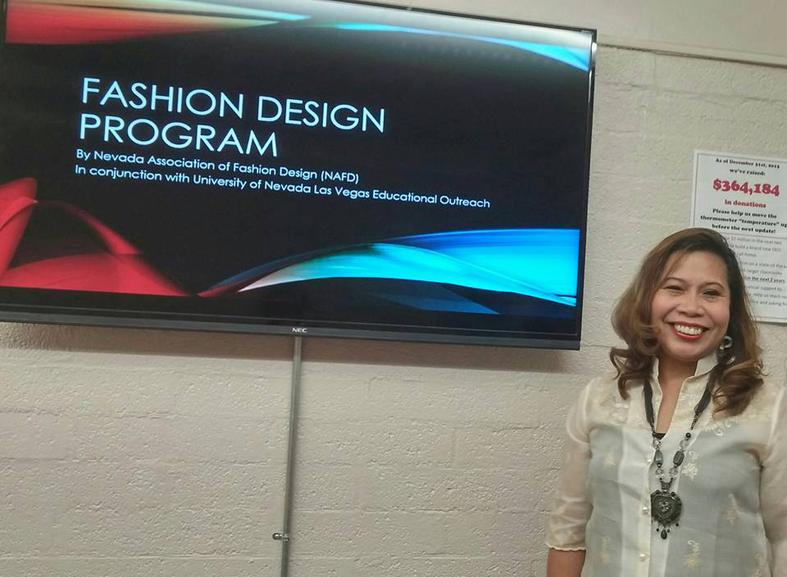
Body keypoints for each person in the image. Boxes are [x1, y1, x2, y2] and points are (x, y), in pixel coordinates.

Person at [545, 228, 786, 577]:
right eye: (674, 288)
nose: (691, 307)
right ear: (647, 299)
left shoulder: (770, 407)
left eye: (711, 293)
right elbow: (568, 532)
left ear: (730, 310)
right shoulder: (599, 399)